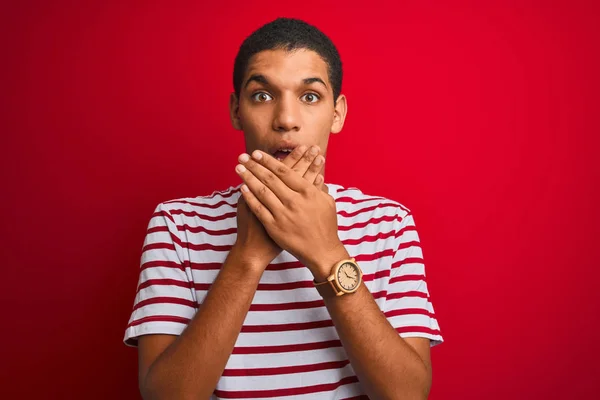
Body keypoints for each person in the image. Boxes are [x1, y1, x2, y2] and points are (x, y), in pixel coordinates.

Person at [124, 17, 443, 400]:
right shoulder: (177, 224)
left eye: (309, 96)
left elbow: (407, 394)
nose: (286, 121)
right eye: (262, 95)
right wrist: (248, 255)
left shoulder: (389, 224)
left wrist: (326, 252)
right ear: (236, 110)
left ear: (337, 113)